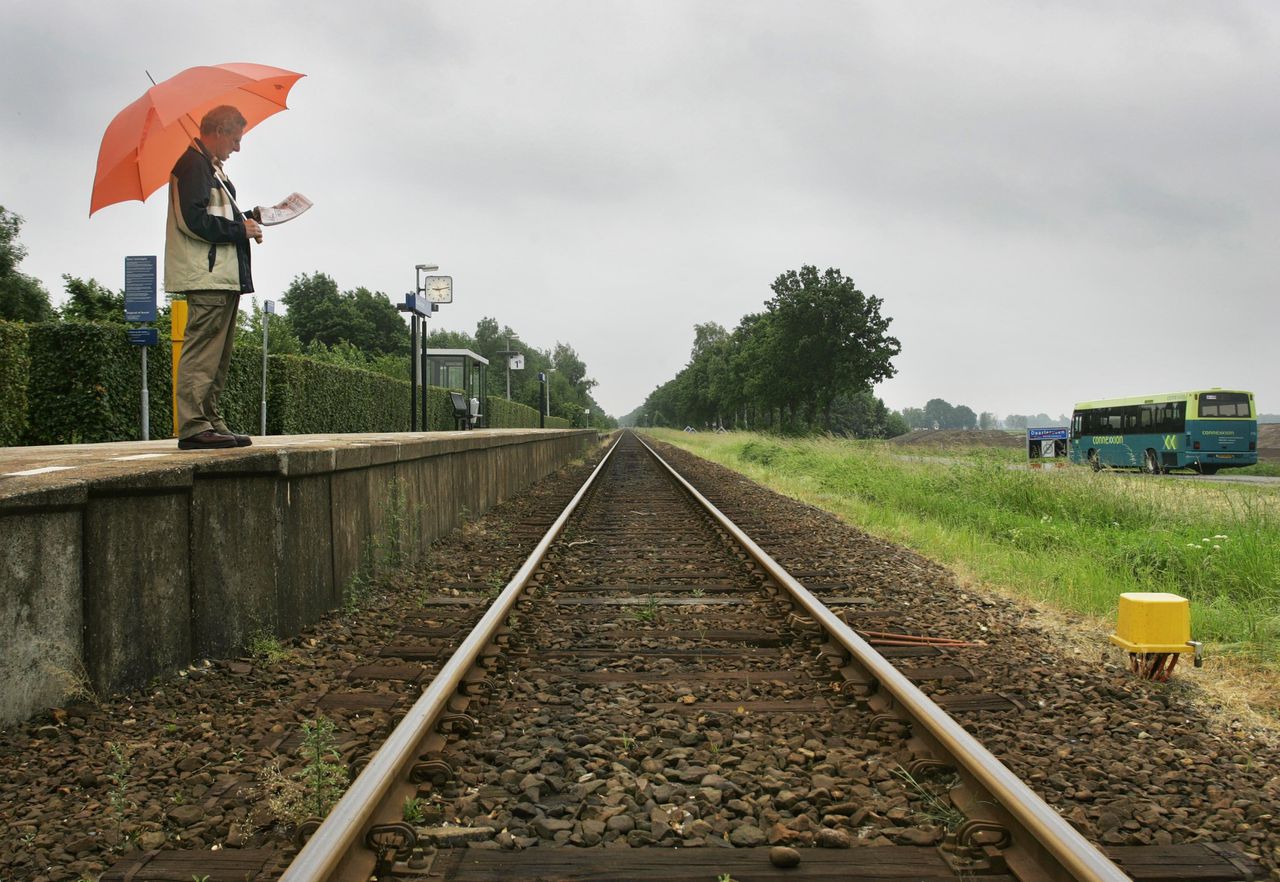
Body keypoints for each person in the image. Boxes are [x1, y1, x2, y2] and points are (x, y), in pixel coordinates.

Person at [165, 104, 264, 450]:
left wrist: (251, 219)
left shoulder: (209, 166)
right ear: (219, 131)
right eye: (235, 139)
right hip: (207, 275)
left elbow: (213, 214)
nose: (237, 147)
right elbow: (194, 221)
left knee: (217, 354)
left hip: (221, 275)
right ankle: (193, 425)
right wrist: (240, 229)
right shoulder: (194, 164)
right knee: (203, 350)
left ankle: (209, 419)